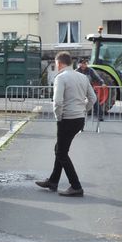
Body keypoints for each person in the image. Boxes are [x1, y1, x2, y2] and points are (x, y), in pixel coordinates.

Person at [36, 51, 96, 197]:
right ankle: (53, 180)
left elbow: (57, 102)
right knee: (60, 148)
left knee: (61, 152)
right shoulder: (82, 76)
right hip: (79, 119)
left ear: (59, 63)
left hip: (66, 119)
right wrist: (83, 111)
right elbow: (93, 98)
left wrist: (58, 117)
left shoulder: (61, 78)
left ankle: (76, 186)